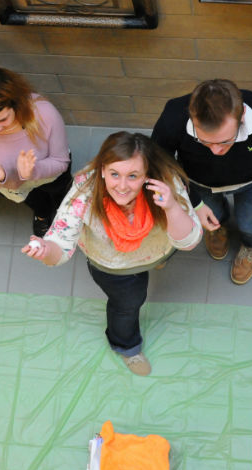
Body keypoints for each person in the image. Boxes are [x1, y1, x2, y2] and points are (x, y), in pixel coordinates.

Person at [22, 132, 202, 376]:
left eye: (133, 176)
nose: (122, 186)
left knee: (166, 255)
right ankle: (127, 347)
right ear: (103, 170)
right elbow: (60, 246)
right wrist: (46, 250)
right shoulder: (84, 191)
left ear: (147, 174)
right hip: (114, 267)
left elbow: (188, 241)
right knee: (128, 304)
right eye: (115, 174)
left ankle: (156, 263)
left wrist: (171, 207)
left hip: (159, 248)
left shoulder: (166, 185)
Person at [152, 79, 252, 285]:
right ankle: (218, 229)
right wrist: (195, 203)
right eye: (205, 141)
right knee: (214, 217)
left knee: (251, 224)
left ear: (242, 116)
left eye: (225, 141)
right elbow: (160, 160)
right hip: (198, 182)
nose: (216, 151)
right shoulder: (173, 116)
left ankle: (251, 245)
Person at [0, 67, 71, 236]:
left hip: (52, 176)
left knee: (61, 194)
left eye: (3, 119)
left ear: (16, 104)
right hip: (13, 186)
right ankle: (42, 214)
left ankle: (67, 213)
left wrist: (33, 171)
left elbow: (61, 162)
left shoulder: (44, 113)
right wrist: (0, 178)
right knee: (35, 200)